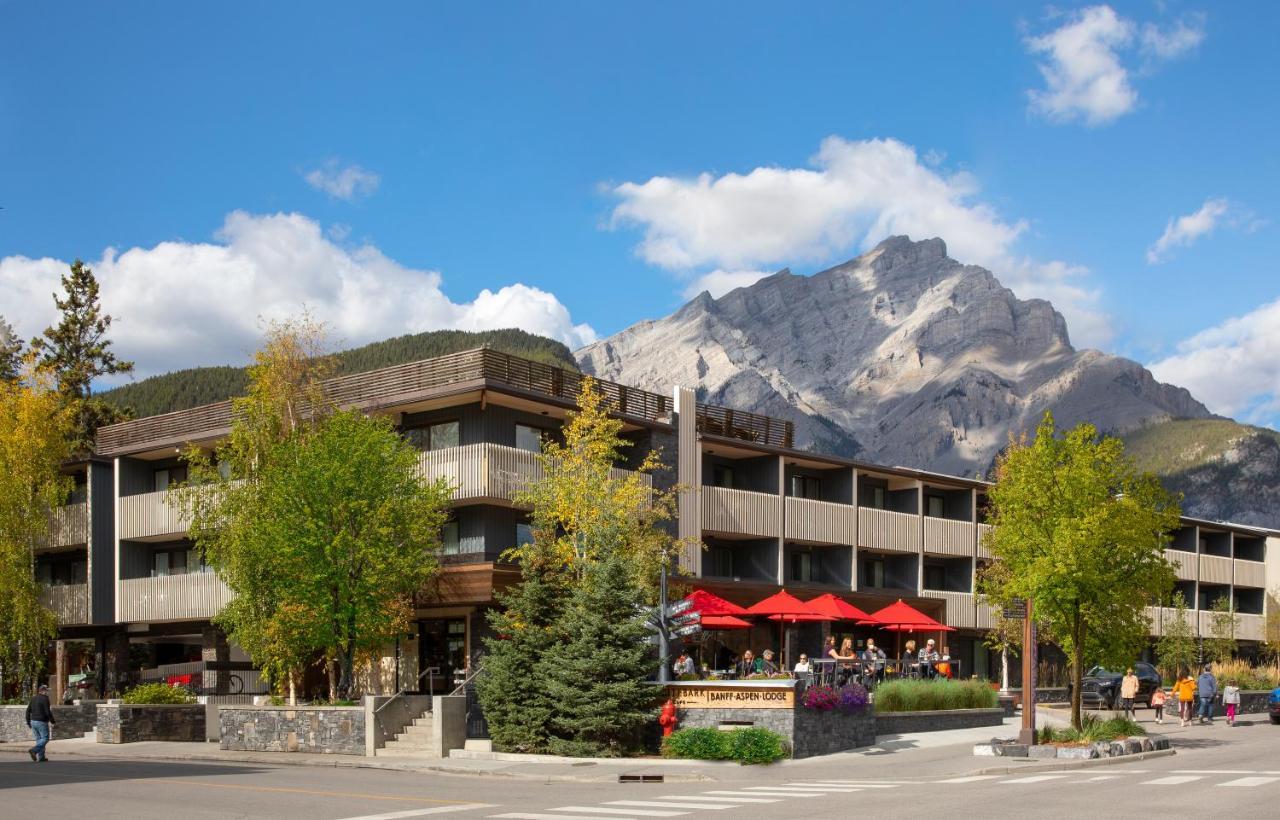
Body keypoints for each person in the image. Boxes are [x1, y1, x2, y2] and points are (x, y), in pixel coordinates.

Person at [25, 684, 55, 763]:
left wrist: (28, 722)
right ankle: (34, 750)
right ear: (43, 691)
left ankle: (41, 757)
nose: (47, 692)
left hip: (33, 721)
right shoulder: (45, 699)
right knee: (45, 738)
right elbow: (47, 712)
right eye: (46, 690)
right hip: (41, 722)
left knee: (39, 740)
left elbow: (28, 711)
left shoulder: (33, 698)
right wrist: (52, 721)